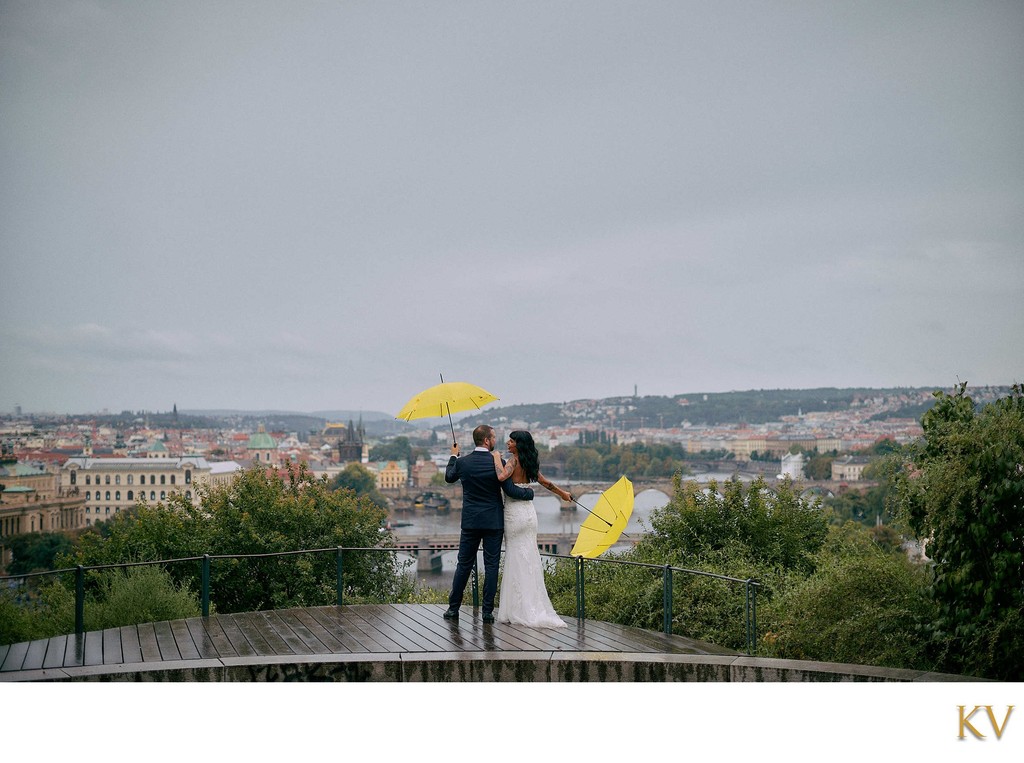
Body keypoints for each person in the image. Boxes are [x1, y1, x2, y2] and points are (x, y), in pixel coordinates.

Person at [443, 424, 535, 624]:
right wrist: (529, 493)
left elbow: (449, 477)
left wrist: (453, 456)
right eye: (493, 437)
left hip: (470, 521)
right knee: (491, 566)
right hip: (493, 521)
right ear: (486, 440)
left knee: (463, 565)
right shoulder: (499, 462)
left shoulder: (463, 463)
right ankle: (487, 612)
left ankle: (453, 609)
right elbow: (510, 489)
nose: (496, 440)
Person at [490, 430, 570, 628]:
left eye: (511, 440)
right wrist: (563, 494)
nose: (508, 443)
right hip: (529, 515)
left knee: (515, 557)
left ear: (518, 444)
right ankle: (531, 606)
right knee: (530, 558)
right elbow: (545, 483)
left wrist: (496, 457)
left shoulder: (513, 461)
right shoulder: (530, 462)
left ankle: (516, 609)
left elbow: (501, 477)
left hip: (514, 514)